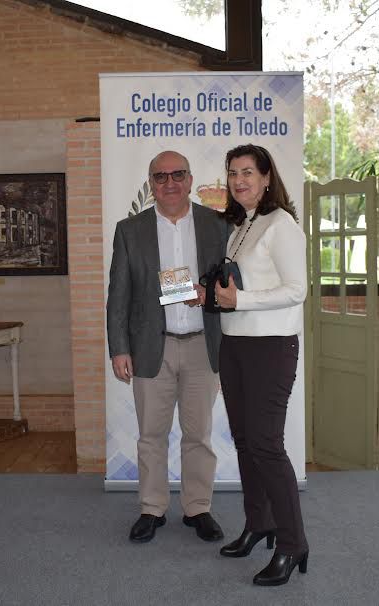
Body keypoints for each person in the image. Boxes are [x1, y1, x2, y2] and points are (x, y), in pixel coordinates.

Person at [107, 150, 229, 544]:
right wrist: (119, 348)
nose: (170, 183)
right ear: (151, 184)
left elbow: (233, 285)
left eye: (178, 175)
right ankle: (152, 508)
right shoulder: (129, 230)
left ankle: (198, 508)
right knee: (151, 435)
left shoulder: (218, 226)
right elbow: (118, 296)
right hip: (149, 348)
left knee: (199, 435)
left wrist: (206, 295)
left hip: (202, 346)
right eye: (161, 177)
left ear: (191, 180)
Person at [214, 144, 308, 586]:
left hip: (271, 348)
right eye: (233, 173)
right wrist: (213, 295)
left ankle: (293, 545)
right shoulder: (240, 226)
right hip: (234, 346)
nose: (239, 180)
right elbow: (239, 283)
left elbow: (297, 289)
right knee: (245, 441)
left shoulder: (281, 224)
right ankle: (259, 524)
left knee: (267, 445)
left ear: (268, 177)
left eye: (248, 172)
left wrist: (242, 299)